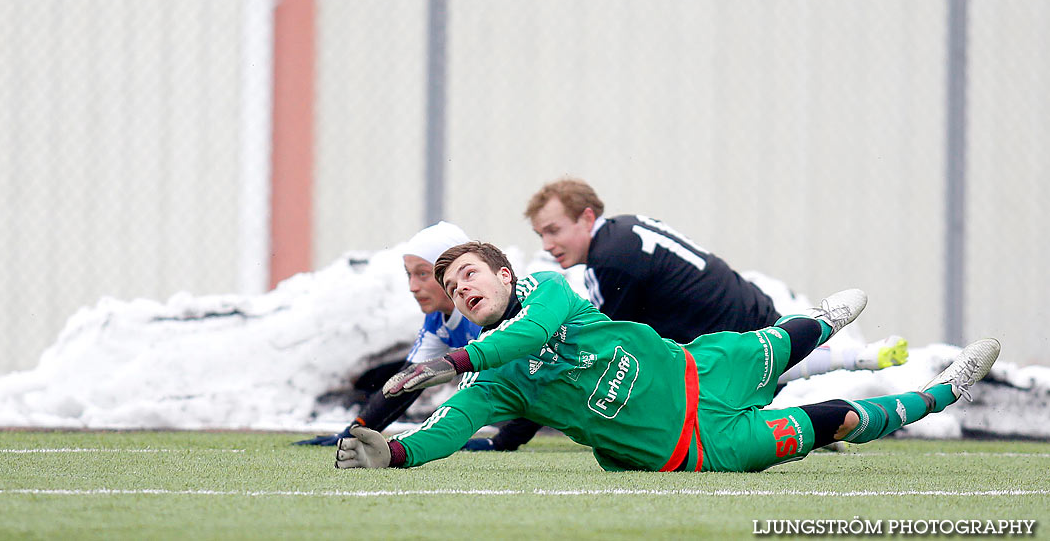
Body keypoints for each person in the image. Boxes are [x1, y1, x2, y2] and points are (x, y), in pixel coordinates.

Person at [336, 241, 999, 472]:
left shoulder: (547, 293)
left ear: (506, 275)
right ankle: (941, 393)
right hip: (703, 444)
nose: (463, 288)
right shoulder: (497, 379)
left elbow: (532, 334)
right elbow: (447, 427)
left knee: (783, 342)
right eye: (453, 289)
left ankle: (824, 323)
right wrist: (393, 451)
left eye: (472, 273)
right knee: (839, 420)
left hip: (697, 365)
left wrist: (455, 360)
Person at [524, 178, 907, 383]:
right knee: (764, 368)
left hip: (723, 337)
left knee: (680, 388)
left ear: (587, 218)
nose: (547, 244)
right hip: (751, 310)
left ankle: (848, 358)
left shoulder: (611, 260)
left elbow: (608, 342)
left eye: (554, 230)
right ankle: (853, 356)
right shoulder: (625, 229)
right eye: (541, 234)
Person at [293, 222, 542, 451]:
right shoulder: (438, 319)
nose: (412, 286)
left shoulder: (494, 310)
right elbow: (408, 381)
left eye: (422, 274)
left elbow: (540, 380)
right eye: (409, 274)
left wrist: (502, 441)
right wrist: (352, 432)